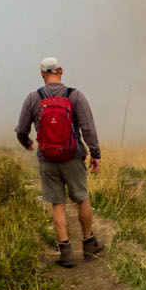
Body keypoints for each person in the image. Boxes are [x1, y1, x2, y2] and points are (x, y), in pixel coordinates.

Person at [16, 56, 105, 268]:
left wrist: (27, 143)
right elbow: (88, 128)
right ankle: (88, 244)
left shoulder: (32, 98)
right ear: (61, 71)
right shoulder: (75, 96)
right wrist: (95, 154)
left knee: (58, 203)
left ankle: (65, 250)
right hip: (73, 157)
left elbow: (21, 129)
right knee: (82, 198)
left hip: (47, 158)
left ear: (42, 74)